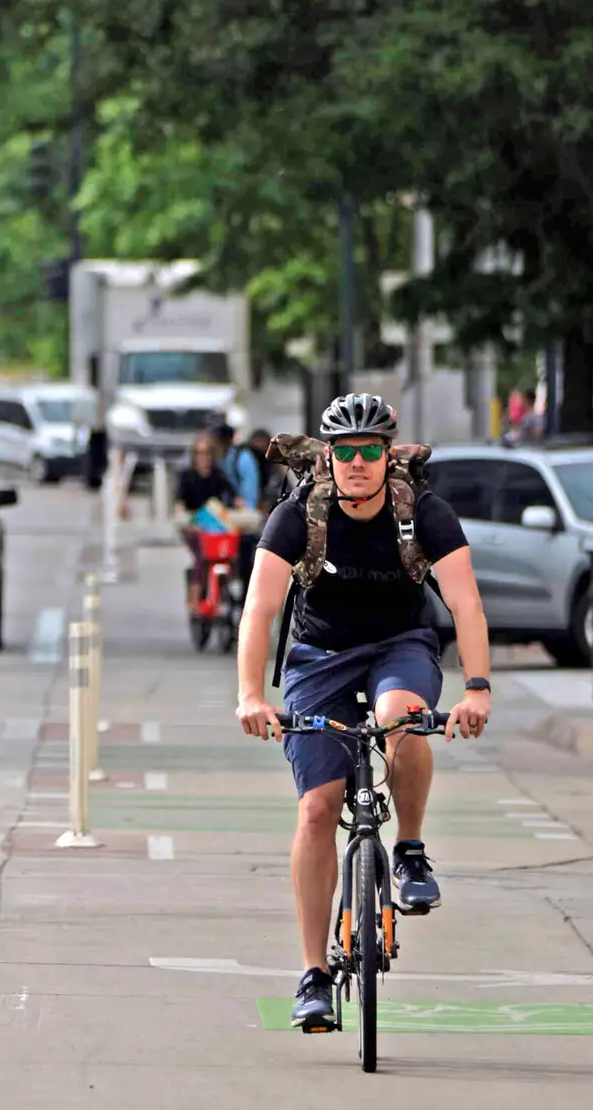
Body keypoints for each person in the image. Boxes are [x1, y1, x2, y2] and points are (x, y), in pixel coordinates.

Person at [235, 393, 493, 1032]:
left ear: (386, 456)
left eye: (369, 451)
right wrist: (249, 695)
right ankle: (313, 975)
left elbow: (466, 604)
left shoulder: (424, 514)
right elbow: (260, 611)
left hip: (399, 648)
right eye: (344, 451)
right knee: (318, 807)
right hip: (318, 657)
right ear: (328, 457)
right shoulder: (297, 517)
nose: (356, 463)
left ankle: (408, 850)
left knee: (401, 717)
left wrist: (478, 689)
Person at [175, 434, 241, 608]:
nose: (204, 458)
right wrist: (187, 519)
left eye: (207, 453)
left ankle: (232, 588)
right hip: (196, 526)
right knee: (201, 556)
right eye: (200, 453)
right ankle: (195, 598)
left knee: (232, 553)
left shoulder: (218, 475)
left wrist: (237, 505)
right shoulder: (187, 476)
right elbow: (180, 504)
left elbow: (232, 496)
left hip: (217, 527)